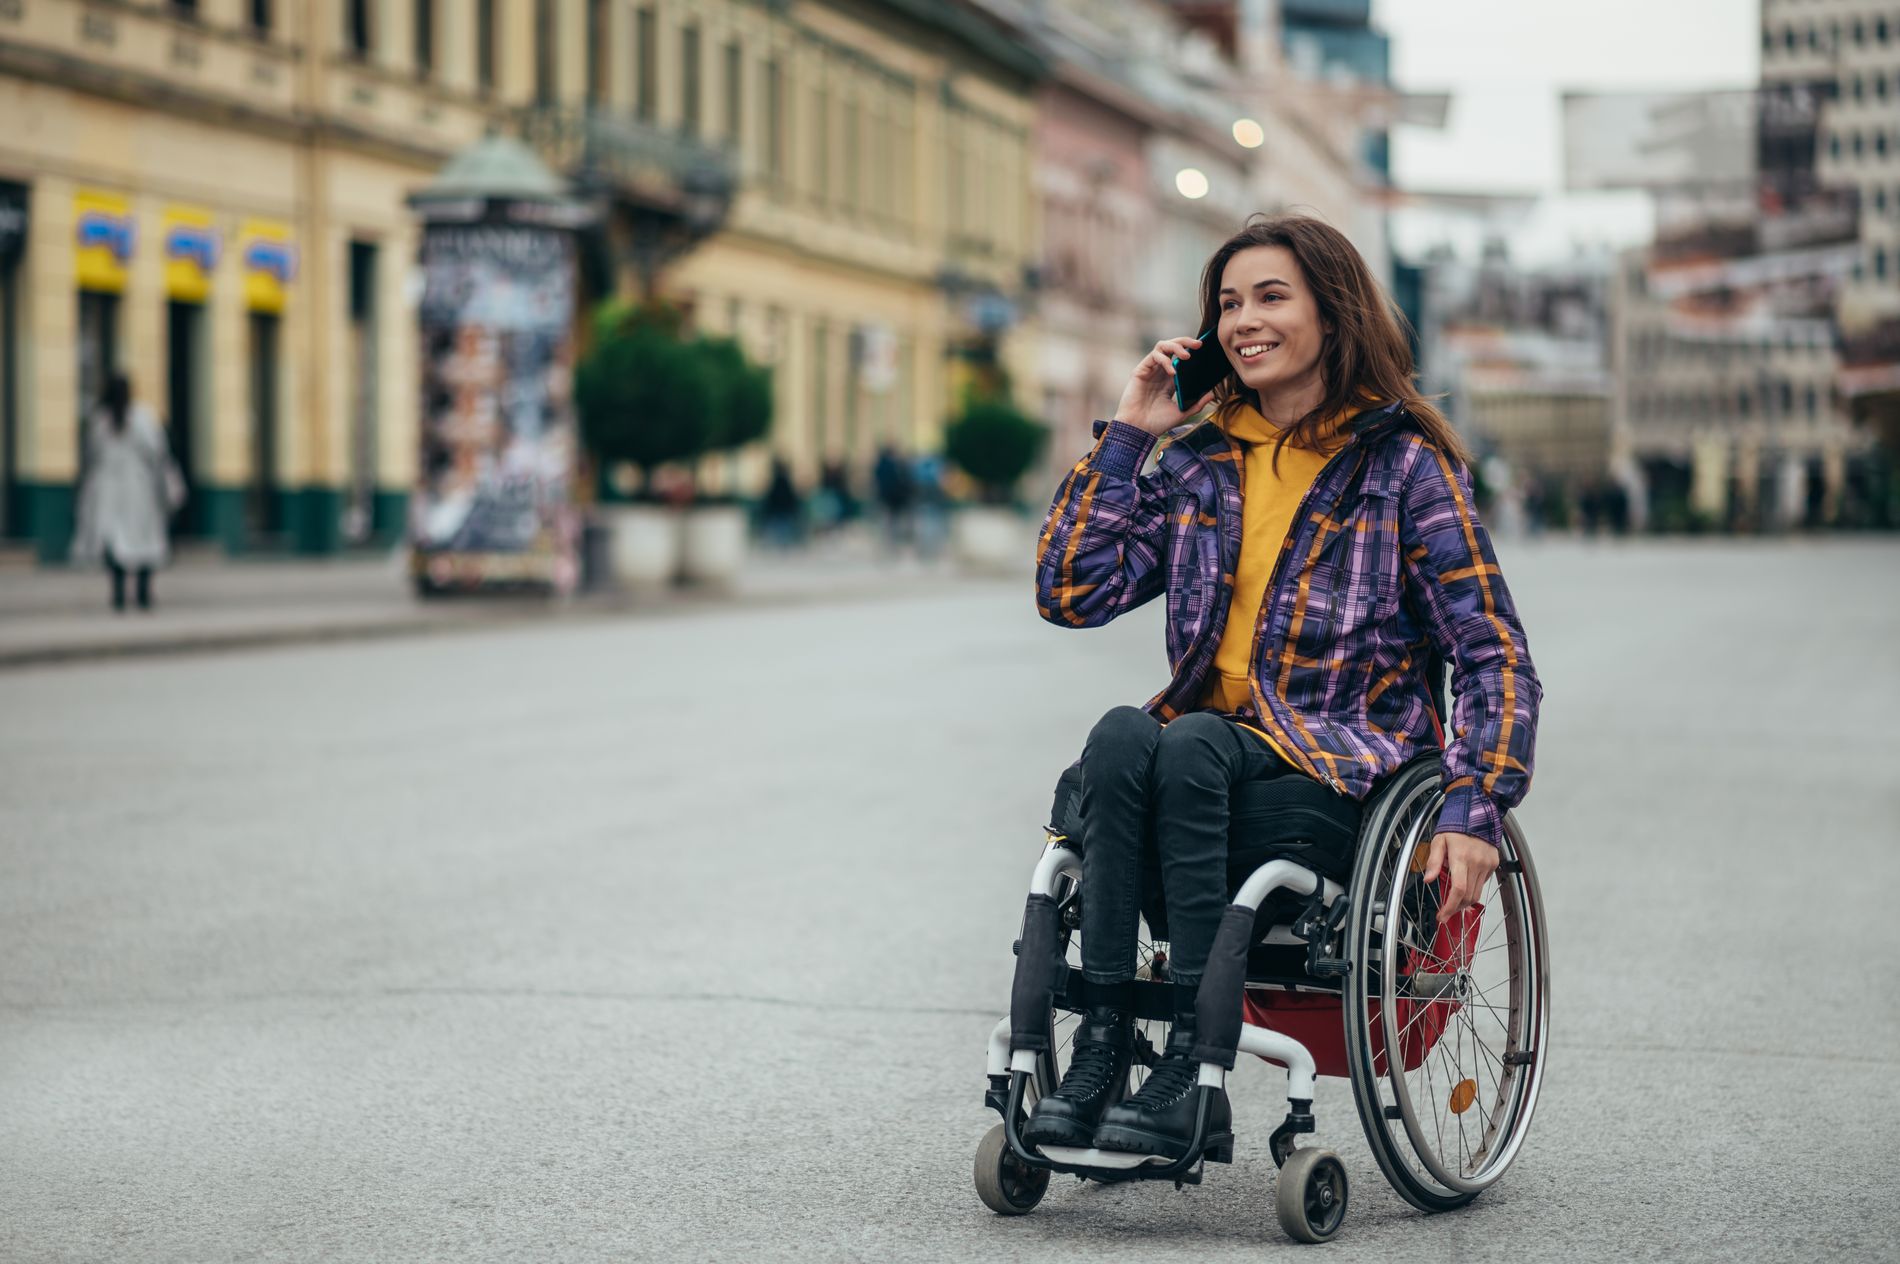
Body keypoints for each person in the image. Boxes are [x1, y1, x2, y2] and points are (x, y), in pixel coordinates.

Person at [1025, 215, 1542, 1160]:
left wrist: (1475, 805)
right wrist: (1132, 437)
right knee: (1117, 736)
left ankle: (1192, 1063)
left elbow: (1492, 652)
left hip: (1334, 772)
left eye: (1271, 297)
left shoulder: (1403, 468)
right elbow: (1070, 592)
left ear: (1333, 314)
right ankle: (1102, 1047)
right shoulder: (1201, 460)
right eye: (1227, 303)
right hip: (1207, 754)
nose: (1242, 321)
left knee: (1182, 743)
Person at [71, 374, 183, 613]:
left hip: (110, 491)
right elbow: (158, 451)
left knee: (118, 544)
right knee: (144, 541)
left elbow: (90, 456)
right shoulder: (142, 419)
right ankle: (143, 593)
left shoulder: (101, 421)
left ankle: (119, 594)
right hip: (139, 489)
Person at [872, 443, 915, 555]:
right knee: (896, 521)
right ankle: (894, 544)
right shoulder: (897, 464)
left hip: (886, 497)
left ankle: (889, 544)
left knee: (889, 521)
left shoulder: (881, 465)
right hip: (895, 497)